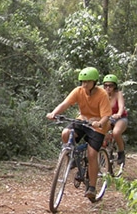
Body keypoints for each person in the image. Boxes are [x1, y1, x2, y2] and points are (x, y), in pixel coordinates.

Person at [46, 67, 111, 202]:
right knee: (66, 133)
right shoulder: (78, 91)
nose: (84, 85)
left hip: (97, 126)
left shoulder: (102, 94)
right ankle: (71, 156)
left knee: (92, 154)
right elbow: (65, 103)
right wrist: (54, 113)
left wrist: (99, 123)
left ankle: (92, 187)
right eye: (82, 82)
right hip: (82, 120)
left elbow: (105, 116)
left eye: (87, 82)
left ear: (94, 82)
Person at [102, 74, 127, 168]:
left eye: (110, 85)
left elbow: (121, 106)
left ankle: (121, 152)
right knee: (100, 132)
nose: (108, 88)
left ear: (115, 86)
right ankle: (104, 153)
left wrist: (119, 114)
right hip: (108, 118)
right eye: (106, 85)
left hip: (120, 118)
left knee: (116, 133)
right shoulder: (102, 95)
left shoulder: (118, 94)